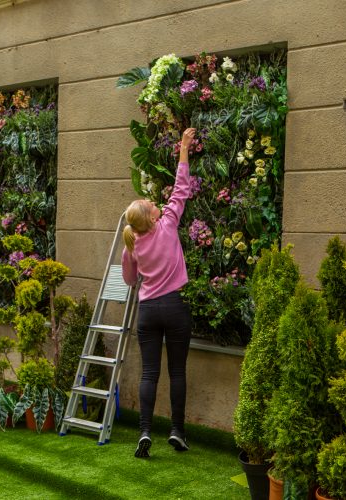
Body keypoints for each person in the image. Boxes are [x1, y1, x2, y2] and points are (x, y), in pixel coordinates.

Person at [121, 127, 196, 458]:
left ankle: (145, 432)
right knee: (177, 371)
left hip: (148, 310)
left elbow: (129, 279)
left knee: (149, 372)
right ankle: (177, 432)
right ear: (151, 218)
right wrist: (183, 147)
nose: (155, 201)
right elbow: (182, 187)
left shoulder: (132, 244)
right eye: (150, 203)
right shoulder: (167, 224)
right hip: (175, 307)